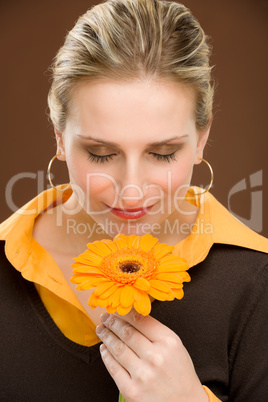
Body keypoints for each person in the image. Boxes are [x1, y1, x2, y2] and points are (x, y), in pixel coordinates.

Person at [0, 0, 267, 400]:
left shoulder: (256, 283)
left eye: (162, 154)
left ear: (202, 139)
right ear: (59, 137)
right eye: (101, 153)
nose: (131, 190)